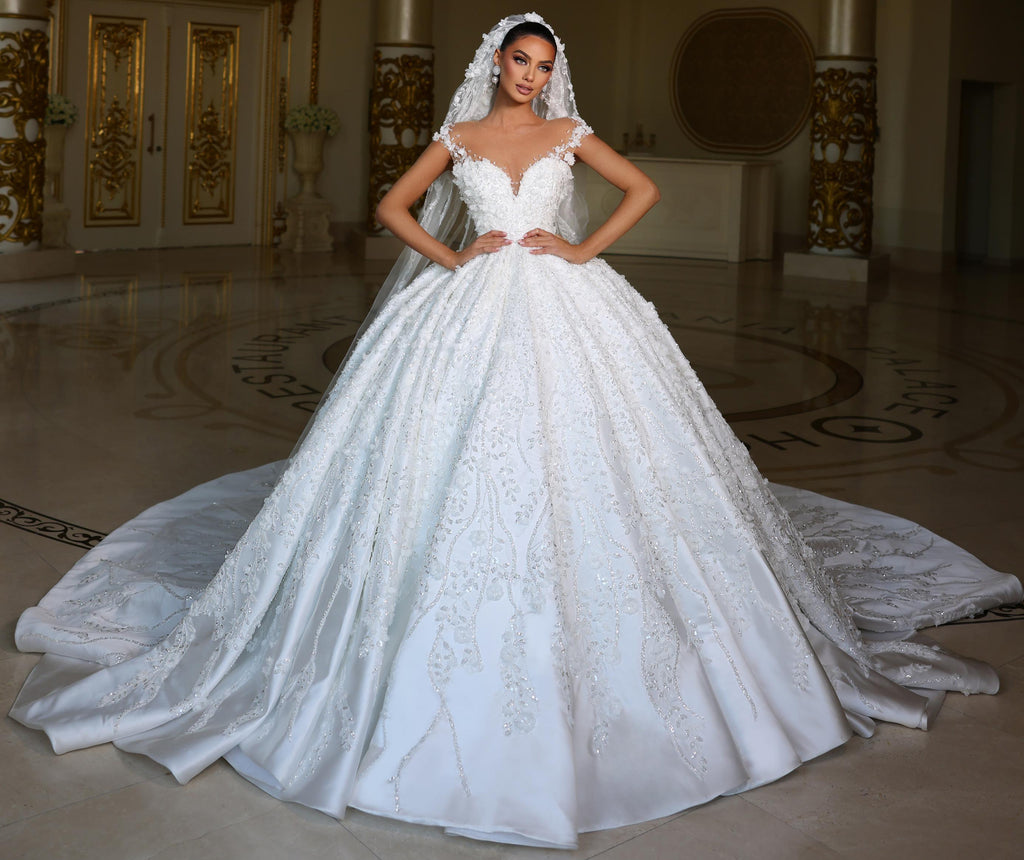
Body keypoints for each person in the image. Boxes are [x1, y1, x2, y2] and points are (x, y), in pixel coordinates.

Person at [9, 12, 1021, 850]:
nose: (534, 79)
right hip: (474, 297)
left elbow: (644, 189)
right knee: (437, 464)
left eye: (545, 67)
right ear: (496, 64)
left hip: (566, 301)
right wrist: (455, 260)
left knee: (595, 459)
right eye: (523, 63)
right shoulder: (458, 141)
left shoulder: (569, 132)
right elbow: (393, 207)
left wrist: (580, 248)